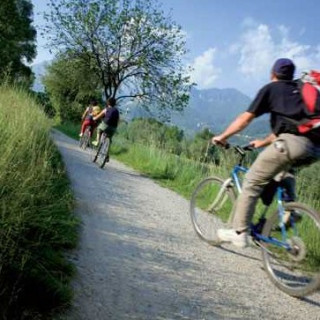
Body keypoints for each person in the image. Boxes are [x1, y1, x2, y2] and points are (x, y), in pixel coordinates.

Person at [212, 58, 320, 248]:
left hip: (290, 145)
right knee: (282, 173)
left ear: (272, 73)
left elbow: (245, 119)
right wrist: (262, 142)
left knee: (252, 181)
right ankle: (290, 209)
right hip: (314, 148)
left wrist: (223, 136)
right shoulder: (297, 90)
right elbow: (290, 128)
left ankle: (239, 232)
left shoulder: (271, 89)